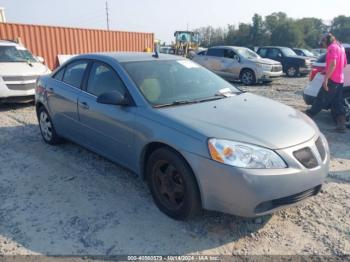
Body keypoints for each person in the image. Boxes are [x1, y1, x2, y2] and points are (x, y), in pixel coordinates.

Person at [306, 33, 348, 133]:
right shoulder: (340, 47)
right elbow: (344, 64)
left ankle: (306, 120)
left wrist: (326, 79)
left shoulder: (332, 47)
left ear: (327, 40)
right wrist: (327, 69)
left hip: (332, 80)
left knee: (320, 99)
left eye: (323, 42)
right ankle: (341, 125)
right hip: (340, 80)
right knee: (337, 103)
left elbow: (333, 64)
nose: (323, 44)